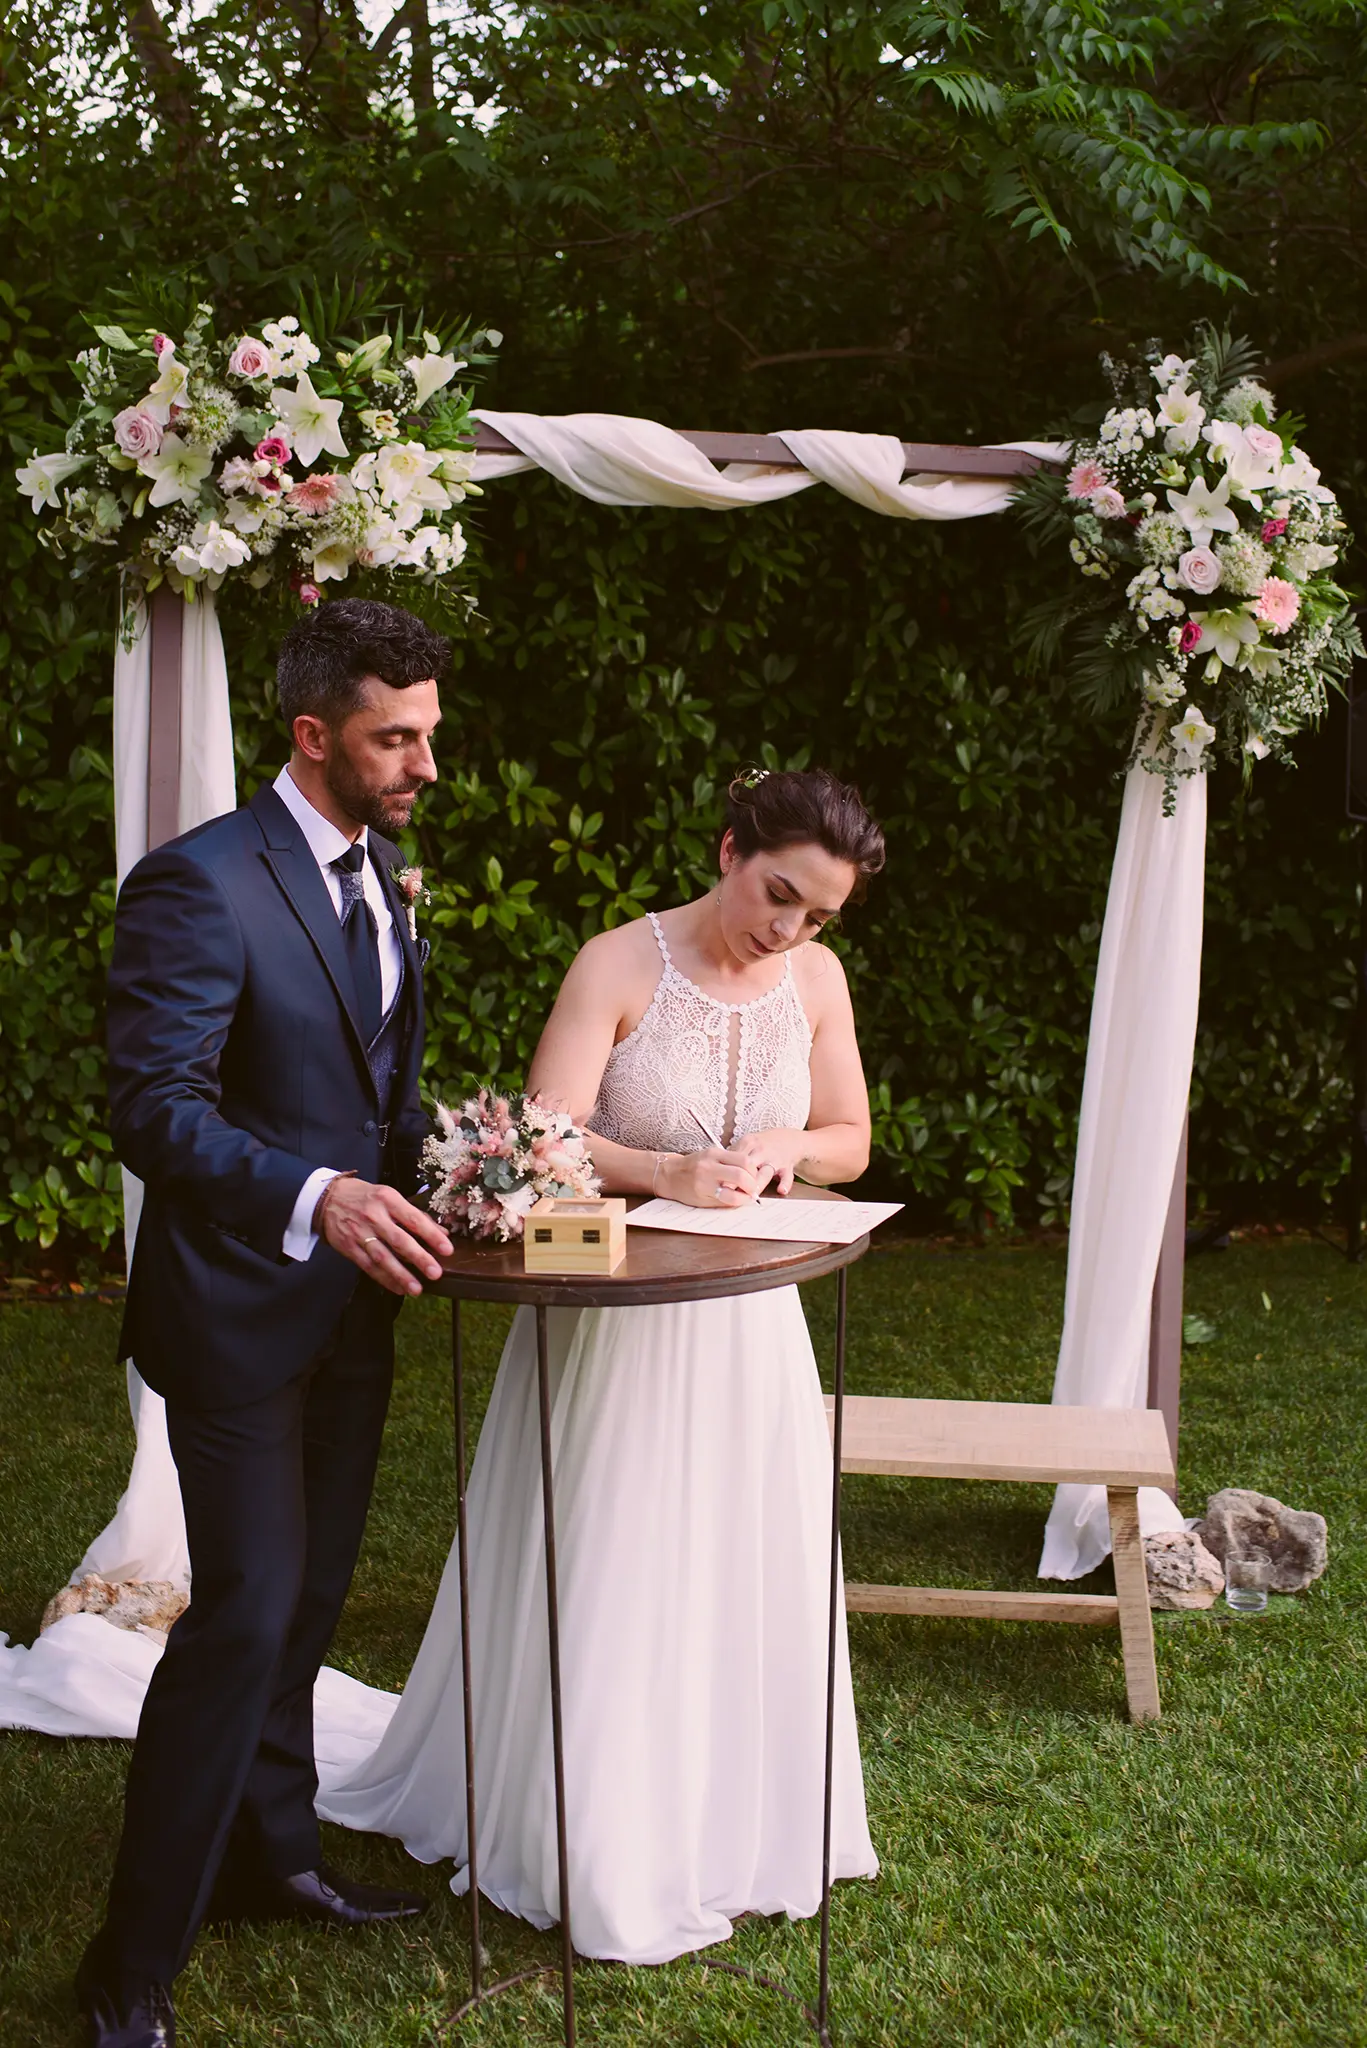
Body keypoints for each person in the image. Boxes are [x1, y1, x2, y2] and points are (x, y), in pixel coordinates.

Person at [323, 766, 884, 1963]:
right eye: (778, 894)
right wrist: (666, 1170)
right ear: (729, 849)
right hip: (614, 1316)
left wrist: (788, 1143)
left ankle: (728, 1817)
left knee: (741, 1551)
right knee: (616, 1550)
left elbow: (850, 1139)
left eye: (818, 915)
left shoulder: (816, 981)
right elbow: (546, 1129)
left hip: (752, 1319)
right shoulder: (619, 963)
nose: (788, 928)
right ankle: (590, 1826)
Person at [77, 599, 456, 2048]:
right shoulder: (197, 883)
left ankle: (271, 1857)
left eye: (429, 732)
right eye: (395, 738)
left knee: (305, 1602)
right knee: (240, 1616)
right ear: (312, 736)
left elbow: (369, 1089)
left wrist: (467, 1175)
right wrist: (317, 1196)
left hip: (351, 1312)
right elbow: (152, 1106)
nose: (425, 763)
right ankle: (128, 1965)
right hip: (234, 1310)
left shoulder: (384, 873)